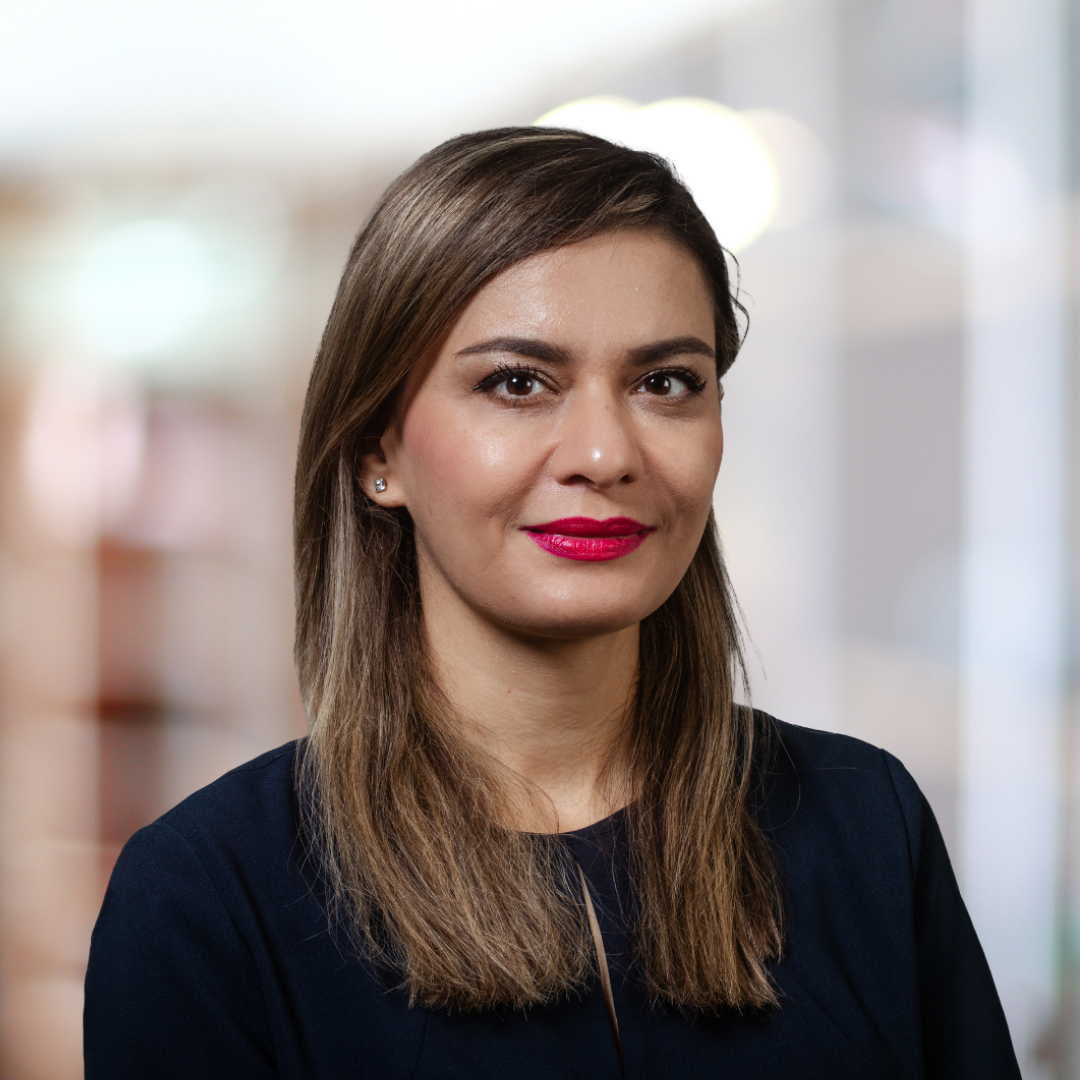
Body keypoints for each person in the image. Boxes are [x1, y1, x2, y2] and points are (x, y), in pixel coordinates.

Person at [84, 127, 1020, 1079]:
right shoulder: (207, 898)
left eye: (666, 383)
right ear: (378, 453)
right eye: (518, 383)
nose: (606, 454)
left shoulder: (868, 826)